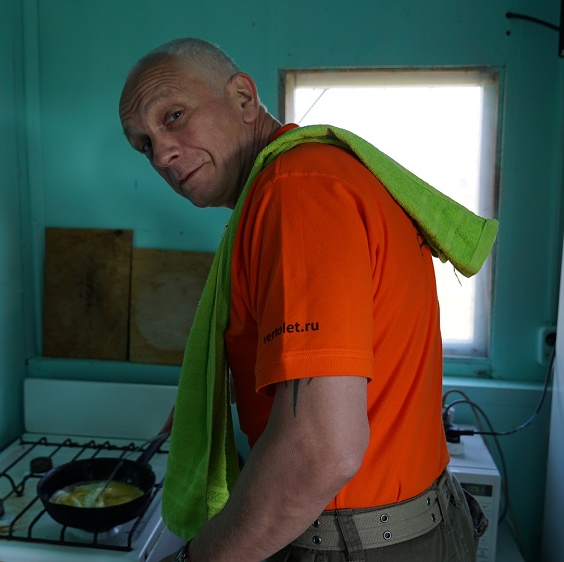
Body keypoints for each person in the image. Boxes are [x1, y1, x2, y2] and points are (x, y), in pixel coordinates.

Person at [119, 38, 488, 562]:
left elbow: (321, 450)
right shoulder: (323, 176)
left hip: (355, 544)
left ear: (244, 98)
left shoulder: (296, 191)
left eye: (174, 116)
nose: (162, 154)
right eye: (144, 144)